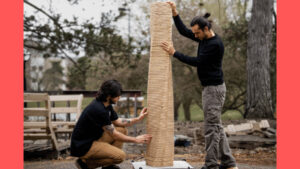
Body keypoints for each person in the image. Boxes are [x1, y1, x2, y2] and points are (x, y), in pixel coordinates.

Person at [161, 2, 238, 169]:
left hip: (214, 91)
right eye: (194, 33)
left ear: (205, 29)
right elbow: (183, 31)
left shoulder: (215, 45)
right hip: (209, 89)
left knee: (211, 129)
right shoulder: (203, 38)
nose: (194, 36)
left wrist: (174, 53)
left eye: (197, 33)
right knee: (216, 126)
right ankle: (229, 163)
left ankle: (211, 165)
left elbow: (198, 62)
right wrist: (175, 13)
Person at [70, 80, 152, 169]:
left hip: (93, 139)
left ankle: (108, 166)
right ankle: (85, 164)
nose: (119, 97)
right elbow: (115, 135)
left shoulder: (106, 104)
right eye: (117, 95)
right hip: (83, 146)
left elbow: (118, 121)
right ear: (109, 96)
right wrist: (136, 139)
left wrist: (138, 118)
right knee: (120, 156)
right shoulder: (99, 109)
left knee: (122, 129)